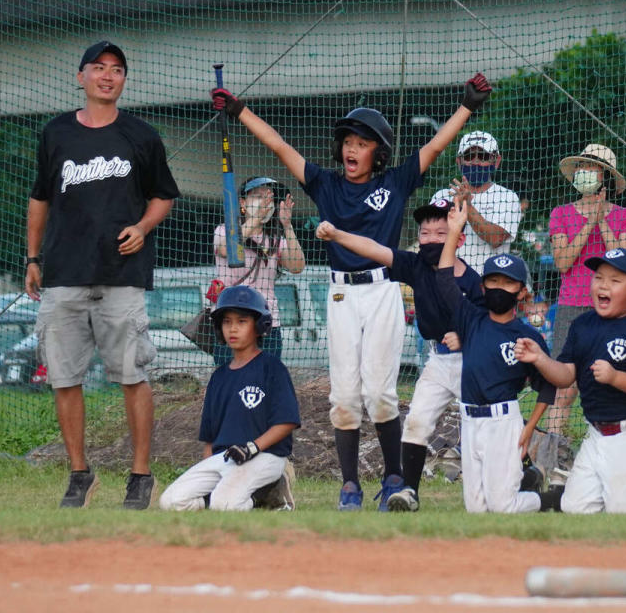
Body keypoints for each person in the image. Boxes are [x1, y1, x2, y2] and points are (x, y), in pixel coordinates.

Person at [211, 73, 492, 510]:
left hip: (383, 293)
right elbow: (281, 147)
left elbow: (435, 147)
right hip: (341, 295)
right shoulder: (326, 183)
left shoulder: (394, 183)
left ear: (377, 151)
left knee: (380, 394)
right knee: (344, 397)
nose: (351, 150)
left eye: (361, 143)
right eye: (347, 142)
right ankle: (349, 486)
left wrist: (467, 107)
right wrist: (239, 110)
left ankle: (395, 477)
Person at [25, 41, 180, 509]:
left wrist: (143, 225)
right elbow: (40, 199)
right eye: (98, 68)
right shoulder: (56, 134)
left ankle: (140, 476)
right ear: (81, 77)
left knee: (132, 375)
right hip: (64, 275)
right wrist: (33, 259)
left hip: (122, 277)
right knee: (64, 379)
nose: (107, 76)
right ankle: (79, 474)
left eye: (116, 70)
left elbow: (163, 196)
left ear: (123, 80)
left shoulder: (142, 135)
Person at [314, 195, 484, 512]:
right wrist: (337, 235)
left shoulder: (473, 280)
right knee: (416, 422)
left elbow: (489, 321)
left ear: (459, 238)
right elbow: (374, 250)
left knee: (480, 424)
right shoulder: (415, 265)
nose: (431, 238)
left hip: (470, 362)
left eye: (441, 233)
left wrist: (467, 335)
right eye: (425, 233)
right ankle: (408, 491)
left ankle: (509, 473)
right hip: (437, 360)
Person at [516, 248, 626, 514]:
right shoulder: (582, 325)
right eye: (599, 277)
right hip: (596, 433)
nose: (603, 285)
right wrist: (540, 358)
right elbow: (565, 376)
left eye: (615, 280)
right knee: (575, 509)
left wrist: (616, 377)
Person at [435, 198, 558, 513]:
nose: (499, 287)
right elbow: (445, 279)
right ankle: (529, 478)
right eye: (493, 281)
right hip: (469, 419)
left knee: (503, 507)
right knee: (477, 510)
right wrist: (453, 232)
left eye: (508, 282)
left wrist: (530, 427)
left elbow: (547, 385)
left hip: (504, 421)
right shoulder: (471, 318)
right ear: (483, 286)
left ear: (521, 291)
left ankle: (551, 501)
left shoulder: (527, 336)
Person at [159, 286, 300, 511]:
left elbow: (287, 422)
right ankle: (225, 499)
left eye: (242, 321)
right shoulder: (219, 377)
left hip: (265, 456)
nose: (232, 328)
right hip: (225, 459)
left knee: (225, 505)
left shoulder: (272, 368)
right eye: (226, 322)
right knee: (171, 501)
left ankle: (271, 492)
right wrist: (207, 474)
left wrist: (252, 447)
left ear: (259, 326)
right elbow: (210, 438)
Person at [546, 143, 626, 435]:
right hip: (571, 307)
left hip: (612, 310)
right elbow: (562, 262)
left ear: (605, 176)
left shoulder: (625, 215)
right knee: (563, 389)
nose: (585, 173)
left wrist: (603, 222)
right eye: (582, 167)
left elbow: (622, 263)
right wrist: (588, 225)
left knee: (608, 385)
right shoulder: (560, 213)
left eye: (593, 168)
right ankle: (551, 459)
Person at [212, 176, 306, 364]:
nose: (264, 202)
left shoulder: (274, 240)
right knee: (230, 381)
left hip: (266, 322)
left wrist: (287, 226)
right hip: (231, 322)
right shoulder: (224, 230)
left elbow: (297, 266)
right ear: (242, 203)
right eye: (257, 196)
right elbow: (226, 249)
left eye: (268, 197)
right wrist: (254, 220)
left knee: (265, 382)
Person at [431, 131, 522, 274]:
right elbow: (430, 240)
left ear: (496, 161)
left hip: (487, 284)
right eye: (468, 156)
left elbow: (495, 239)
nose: (475, 161)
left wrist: (468, 206)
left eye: (483, 156)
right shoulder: (441, 196)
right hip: (447, 282)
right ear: (459, 161)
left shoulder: (507, 197)